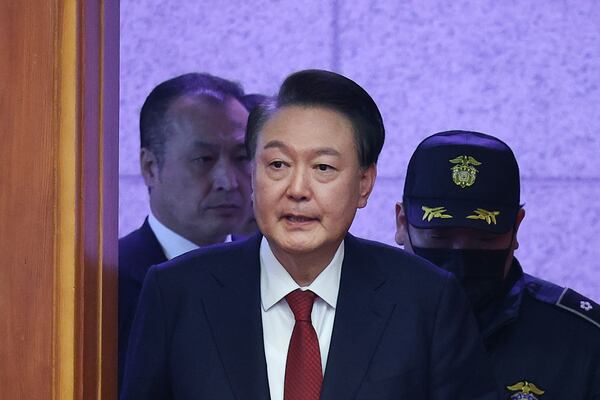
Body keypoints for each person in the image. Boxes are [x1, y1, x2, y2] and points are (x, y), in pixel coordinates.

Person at [120, 70, 499, 400]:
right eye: (278, 164)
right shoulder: (177, 293)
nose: (298, 189)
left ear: (364, 184)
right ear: (254, 175)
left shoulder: (426, 299)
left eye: (323, 167)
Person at [395, 130, 600, 399]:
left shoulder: (583, 341)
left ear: (516, 228)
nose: (459, 255)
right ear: (401, 224)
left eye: (483, 239)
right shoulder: (349, 321)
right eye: (439, 236)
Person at [118, 72, 253, 388]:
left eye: (242, 158)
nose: (228, 180)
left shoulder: (271, 276)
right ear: (151, 167)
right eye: (203, 159)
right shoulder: (107, 286)